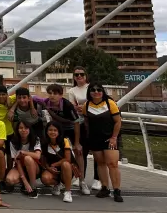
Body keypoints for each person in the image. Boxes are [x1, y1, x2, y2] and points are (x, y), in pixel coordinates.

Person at [83, 83, 123, 202]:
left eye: (99, 90)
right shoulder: (86, 105)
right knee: (100, 163)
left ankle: (117, 190)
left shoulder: (110, 103)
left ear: (103, 91)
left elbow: (117, 121)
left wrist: (114, 137)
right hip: (95, 138)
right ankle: (105, 187)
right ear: (89, 92)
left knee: (112, 164)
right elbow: (86, 122)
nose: (96, 92)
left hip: (109, 138)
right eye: (93, 90)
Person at [67, 65, 96, 194]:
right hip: (80, 123)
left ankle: (98, 179)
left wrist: (83, 107)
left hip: (95, 122)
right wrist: (85, 107)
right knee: (81, 151)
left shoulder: (92, 87)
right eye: (76, 75)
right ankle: (81, 177)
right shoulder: (72, 91)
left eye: (81, 74)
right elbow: (73, 107)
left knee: (97, 152)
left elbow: (98, 101)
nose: (79, 76)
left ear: (86, 76)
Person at [5, 121, 41, 198]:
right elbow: (17, 162)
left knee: (27, 158)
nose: (23, 130)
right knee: (10, 180)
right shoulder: (13, 141)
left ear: (30, 129)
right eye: (21, 128)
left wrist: (23, 152)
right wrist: (25, 182)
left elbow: (37, 156)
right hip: (20, 166)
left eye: (26, 128)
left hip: (34, 166)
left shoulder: (36, 139)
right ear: (17, 130)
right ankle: (26, 182)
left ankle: (33, 186)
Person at [40, 122, 74, 203]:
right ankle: (57, 184)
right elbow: (43, 160)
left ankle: (68, 191)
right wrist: (49, 168)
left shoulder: (65, 141)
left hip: (65, 169)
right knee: (45, 178)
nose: (52, 132)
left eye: (55, 130)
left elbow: (67, 159)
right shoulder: (44, 143)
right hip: (52, 169)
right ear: (46, 131)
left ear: (59, 132)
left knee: (65, 164)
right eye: (50, 130)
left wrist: (54, 165)